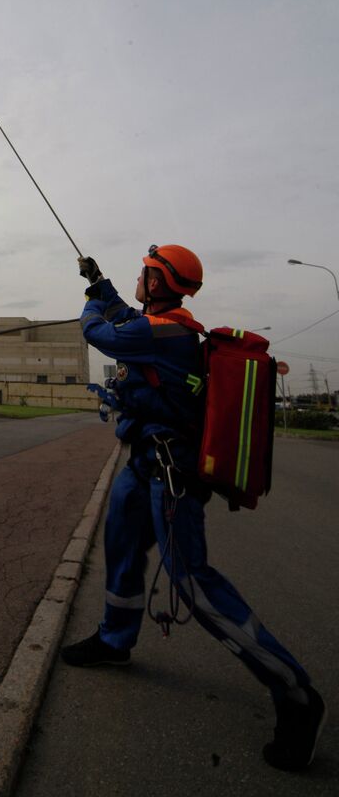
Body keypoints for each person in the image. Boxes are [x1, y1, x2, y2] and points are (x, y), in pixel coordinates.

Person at [61, 244, 326, 772]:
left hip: (171, 475)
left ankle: (296, 694)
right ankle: (115, 640)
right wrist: (101, 283)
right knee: (120, 541)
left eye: (145, 274)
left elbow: (103, 332)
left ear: (159, 285)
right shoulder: (165, 326)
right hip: (144, 463)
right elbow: (127, 316)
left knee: (193, 584)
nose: (140, 278)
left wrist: (90, 307)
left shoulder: (159, 333)